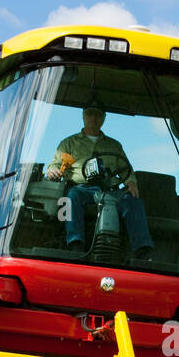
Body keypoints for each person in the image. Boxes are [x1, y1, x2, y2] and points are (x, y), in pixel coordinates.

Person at [45, 105, 153, 258]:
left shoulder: (114, 146)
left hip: (110, 191)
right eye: (90, 114)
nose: (93, 118)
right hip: (81, 189)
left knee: (133, 201)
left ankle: (142, 249)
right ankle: (75, 243)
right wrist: (52, 171)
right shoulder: (68, 143)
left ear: (104, 119)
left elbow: (126, 170)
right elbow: (54, 165)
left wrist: (131, 182)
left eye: (98, 115)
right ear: (83, 116)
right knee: (70, 197)